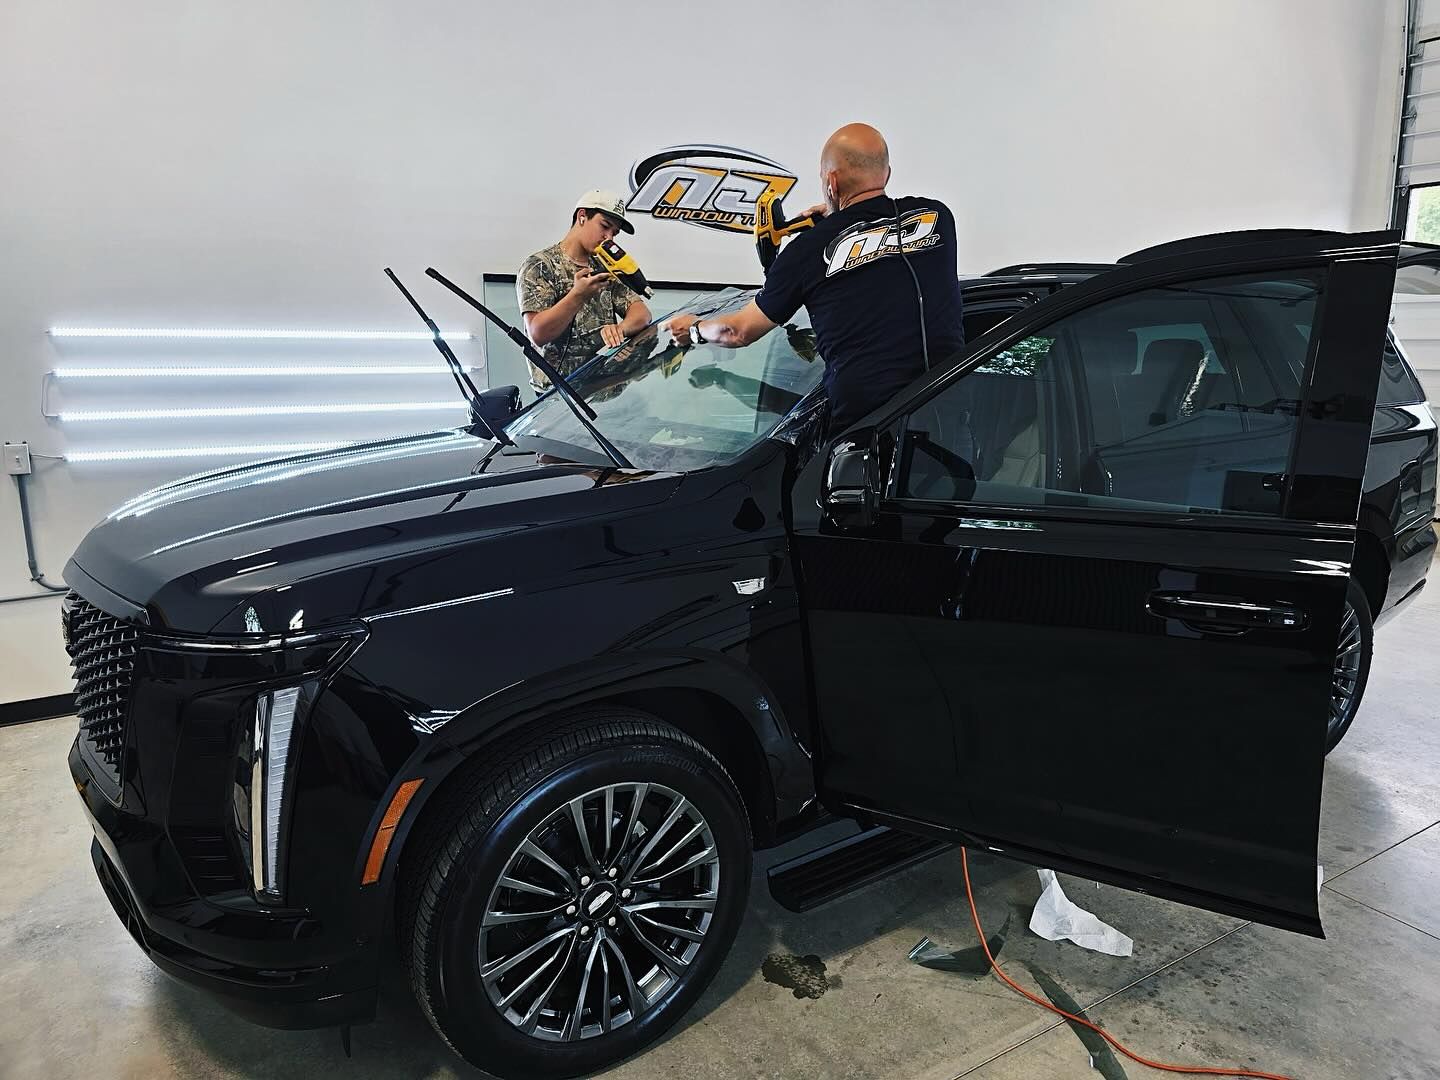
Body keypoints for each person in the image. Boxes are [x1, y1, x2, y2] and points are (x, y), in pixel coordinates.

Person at [664, 124, 964, 431]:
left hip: (868, 434)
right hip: (948, 416)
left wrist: (695, 330)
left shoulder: (806, 252)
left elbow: (737, 331)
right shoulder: (938, 216)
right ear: (887, 173)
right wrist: (841, 222)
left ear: (831, 182)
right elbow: (878, 258)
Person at [518, 189, 653, 396]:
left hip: (608, 392)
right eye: (605, 226)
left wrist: (621, 329)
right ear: (582, 216)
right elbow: (538, 333)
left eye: (614, 233)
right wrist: (577, 296)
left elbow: (642, 313)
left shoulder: (605, 266)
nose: (608, 237)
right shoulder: (540, 265)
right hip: (560, 402)